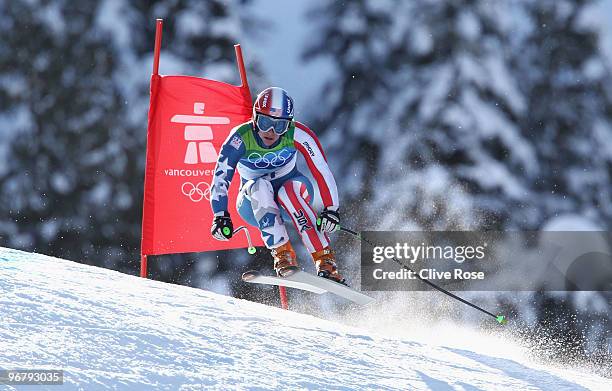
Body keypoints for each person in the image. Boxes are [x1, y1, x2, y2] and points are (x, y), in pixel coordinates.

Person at [209, 87, 344, 283]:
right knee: (260, 186)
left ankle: (325, 261)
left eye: (280, 126)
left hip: (292, 196)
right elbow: (221, 177)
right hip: (252, 204)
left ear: (288, 125)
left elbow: (321, 170)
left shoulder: (298, 134)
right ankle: (283, 255)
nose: (271, 132)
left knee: (288, 192)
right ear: (255, 118)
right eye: (265, 123)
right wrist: (220, 214)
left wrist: (331, 209)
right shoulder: (239, 138)